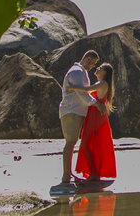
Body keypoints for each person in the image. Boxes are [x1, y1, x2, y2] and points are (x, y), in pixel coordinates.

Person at [68, 62, 117, 181]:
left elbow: (86, 90)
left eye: (100, 68)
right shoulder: (99, 83)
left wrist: (71, 87)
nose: (97, 68)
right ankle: (93, 173)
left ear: (104, 72)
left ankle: (94, 173)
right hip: (93, 115)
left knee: (90, 143)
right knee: (89, 143)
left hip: (97, 117)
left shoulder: (103, 84)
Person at [58, 50, 98, 187]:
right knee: (70, 142)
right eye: (93, 63)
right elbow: (81, 92)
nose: (93, 66)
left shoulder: (82, 72)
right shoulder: (76, 72)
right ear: (87, 59)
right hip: (71, 111)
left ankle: (69, 174)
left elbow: (84, 90)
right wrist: (96, 103)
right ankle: (65, 177)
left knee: (73, 142)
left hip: (77, 111)